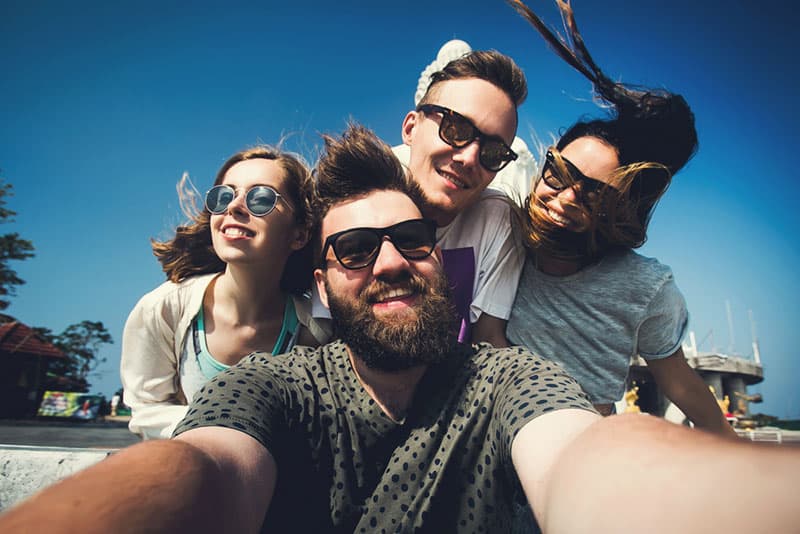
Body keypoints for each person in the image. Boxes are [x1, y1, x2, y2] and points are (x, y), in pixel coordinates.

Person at [1, 124, 798, 534]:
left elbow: (587, 455)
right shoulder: (277, 385)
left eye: (411, 242)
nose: (388, 262)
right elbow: (205, 467)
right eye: (353, 248)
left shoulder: (507, 381)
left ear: (440, 261)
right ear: (320, 280)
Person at [504, 0, 735, 436]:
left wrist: (734, 449)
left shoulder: (645, 288)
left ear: (618, 209)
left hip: (579, 452)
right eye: (559, 172)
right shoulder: (504, 236)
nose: (567, 198)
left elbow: (679, 382)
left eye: (593, 193)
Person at [314, 48, 528, 346]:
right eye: (455, 128)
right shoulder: (356, 194)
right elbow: (318, 336)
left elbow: (489, 339)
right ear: (410, 127)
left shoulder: (497, 216)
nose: (469, 158)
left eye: (493, 152)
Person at [121, 145, 329, 439]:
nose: (234, 207)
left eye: (261, 198)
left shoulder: (316, 332)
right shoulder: (163, 310)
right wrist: (229, 432)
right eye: (223, 197)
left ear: (299, 234)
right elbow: (146, 413)